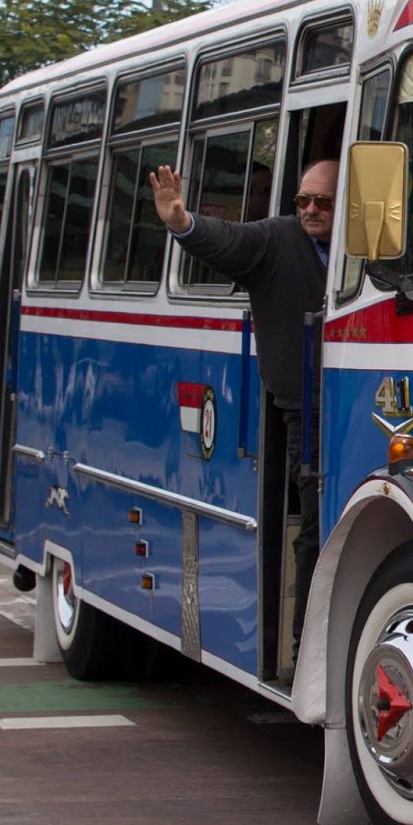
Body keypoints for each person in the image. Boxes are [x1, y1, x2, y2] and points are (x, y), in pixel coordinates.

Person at [150, 158, 336, 666]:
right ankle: (306, 654)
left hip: (365, 404)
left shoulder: (371, 251)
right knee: (317, 528)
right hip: (307, 413)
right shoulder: (276, 239)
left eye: (323, 202)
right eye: (303, 201)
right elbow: (227, 240)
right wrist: (181, 222)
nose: (311, 210)